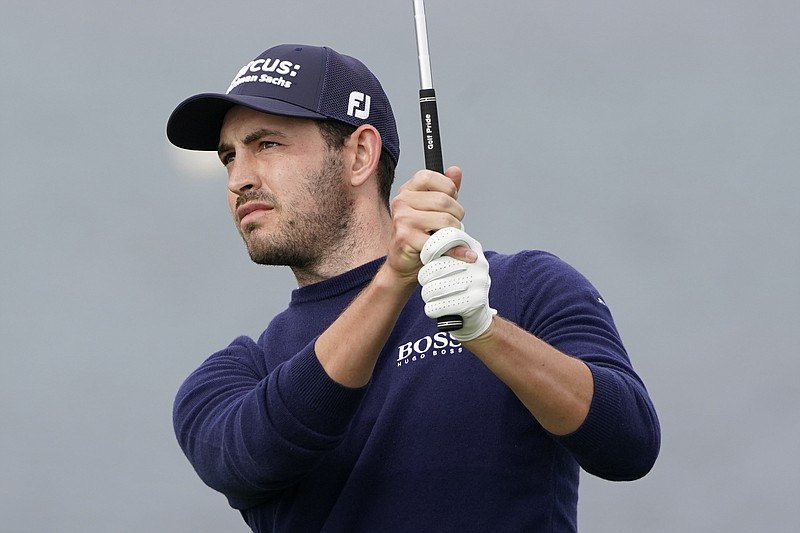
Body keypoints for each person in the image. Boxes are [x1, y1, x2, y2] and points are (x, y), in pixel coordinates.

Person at [167, 43, 660, 532]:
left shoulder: (523, 289)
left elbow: (629, 444)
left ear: (360, 154)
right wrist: (396, 279)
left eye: (266, 145)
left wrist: (485, 330)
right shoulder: (238, 374)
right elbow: (254, 455)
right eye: (230, 157)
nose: (238, 179)